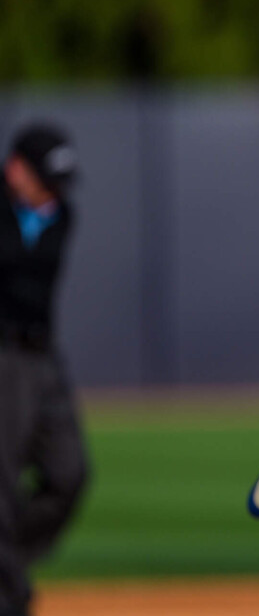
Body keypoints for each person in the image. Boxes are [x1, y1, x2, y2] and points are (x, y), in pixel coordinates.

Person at [0, 122, 88, 616]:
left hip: (41, 358)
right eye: (45, 181)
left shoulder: (60, 215)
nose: (55, 194)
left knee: (68, 473)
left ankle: (7, 562)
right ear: (15, 169)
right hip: (2, 357)